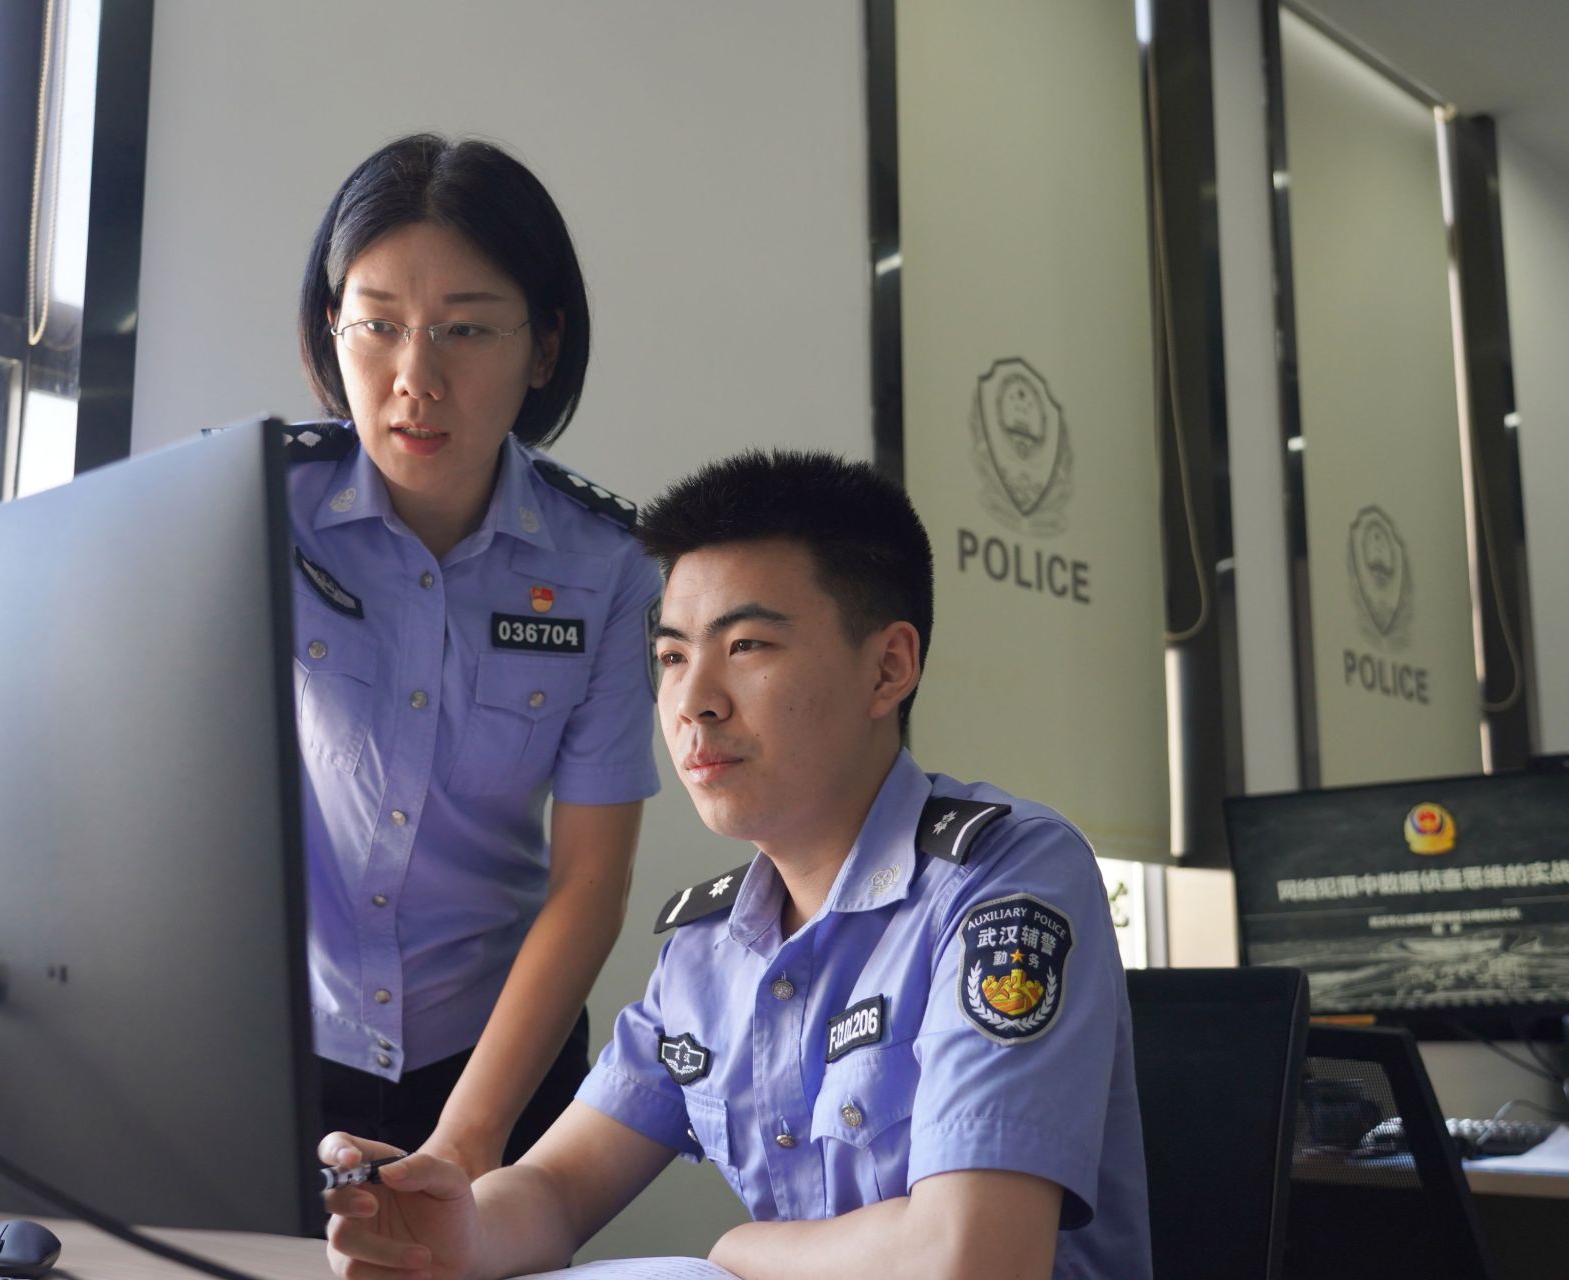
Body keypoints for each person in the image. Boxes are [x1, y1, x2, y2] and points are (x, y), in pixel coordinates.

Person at [319, 451, 1150, 1279]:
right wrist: (457, 1235)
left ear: (888, 668)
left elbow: (975, 1256)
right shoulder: (709, 949)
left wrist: (740, 1253)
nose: (693, 703)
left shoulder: (1005, 879)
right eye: (673, 657)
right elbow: (557, 1189)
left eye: (747, 645)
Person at [289, 134, 660, 1180]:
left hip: (497, 1058)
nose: (417, 378)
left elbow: (590, 877)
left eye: (466, 329)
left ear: (543, 348)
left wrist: (467, 1140)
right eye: (379, 325)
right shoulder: (257, 514)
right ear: (332, 328)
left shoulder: (606, 565)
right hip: (278, 1051)